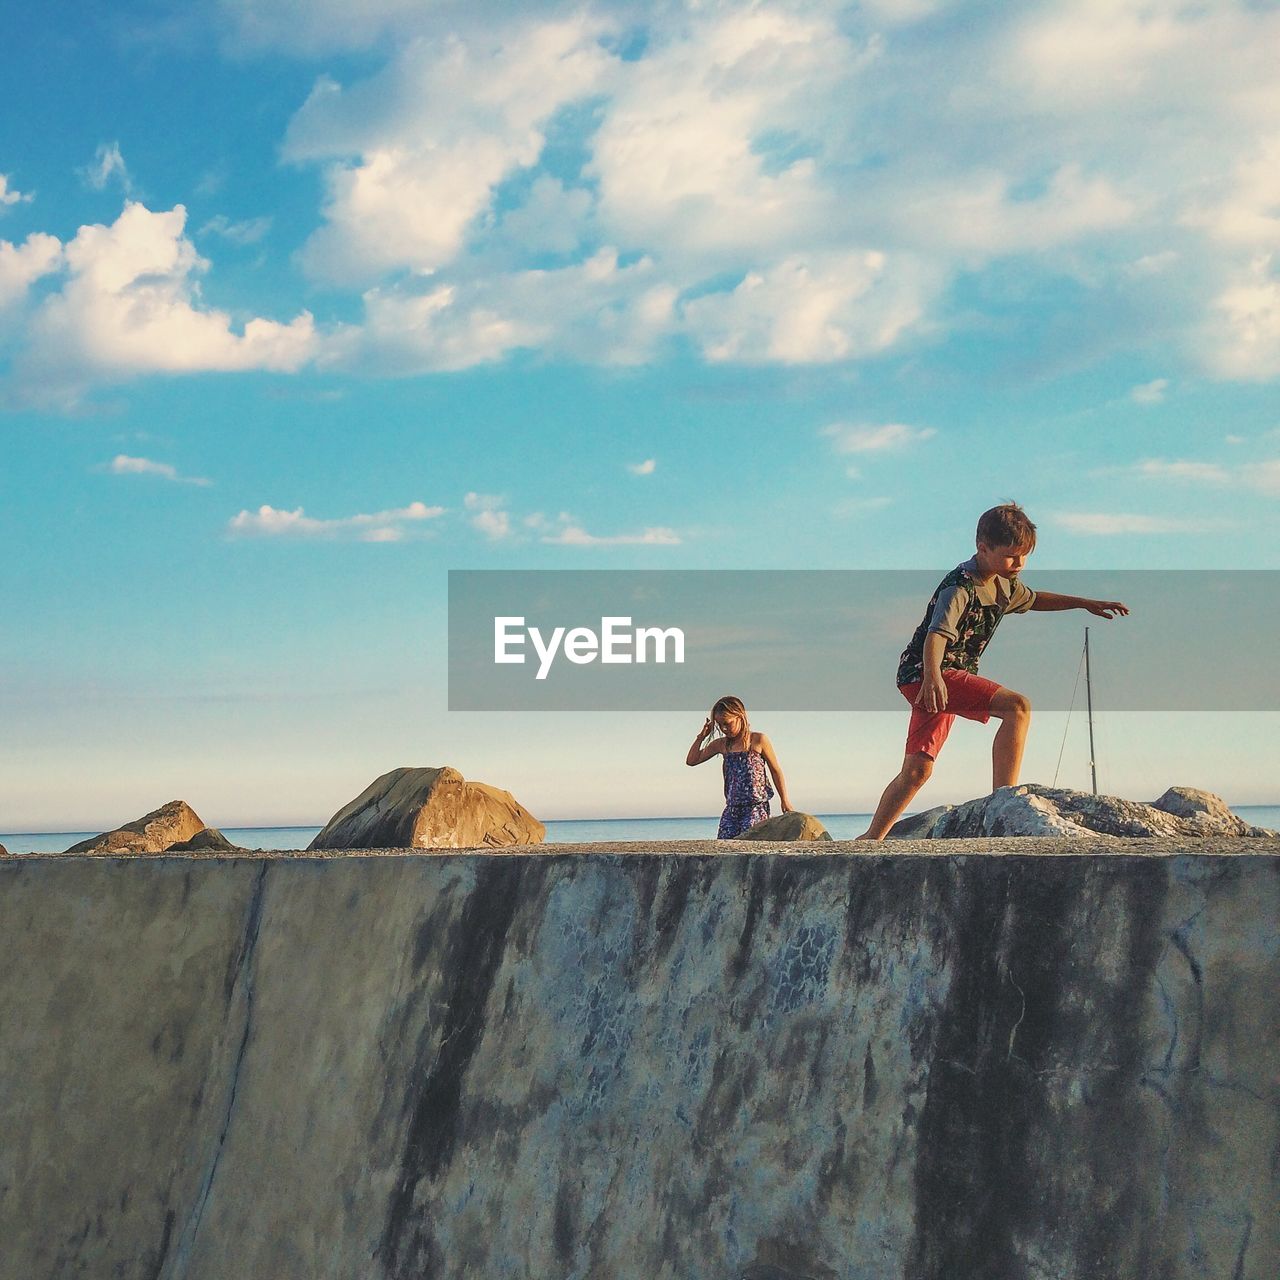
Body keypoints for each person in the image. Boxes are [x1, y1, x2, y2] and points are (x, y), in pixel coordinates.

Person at [858, 502, 1129, 841]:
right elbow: (936, 635)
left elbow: (1034, 599)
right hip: (930, 673)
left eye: (1024, 556)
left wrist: (1084, 602)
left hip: (935, 678)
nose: (1019, 564)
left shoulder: (1004, 584)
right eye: (1010, 556)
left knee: (917, 770)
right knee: (1017, 707)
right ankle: (1005, 800)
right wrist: (933, 677)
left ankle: (872, 838)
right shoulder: (959, 586)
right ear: (982, 549)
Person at [686, 695, 793, 838]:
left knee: (750, 848)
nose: (724, 729)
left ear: (740, 716)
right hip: (732, 809)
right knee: (724, 849)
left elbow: (775, 771)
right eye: (720, 725)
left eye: (727, 723)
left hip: (756, 808)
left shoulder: (758, 740)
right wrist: (701, 737)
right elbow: (692, 760)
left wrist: (784, 800)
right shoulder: (722, 744)